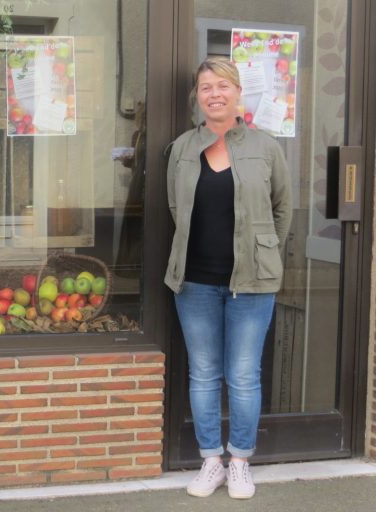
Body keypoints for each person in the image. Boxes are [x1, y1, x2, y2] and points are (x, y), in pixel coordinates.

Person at [164, 56, 292, 500]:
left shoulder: (266, 147)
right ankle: (211, 461)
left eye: (223, 85)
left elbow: (282, 209)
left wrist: (264, 251)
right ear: (197, 96)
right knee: (203, 373)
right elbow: (175, 207)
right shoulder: (182, 148)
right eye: (206, 87)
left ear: (238, 92)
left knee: (242, 374)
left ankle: (239, 462)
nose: (214, 94)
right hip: (194, 281)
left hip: (252, 283)